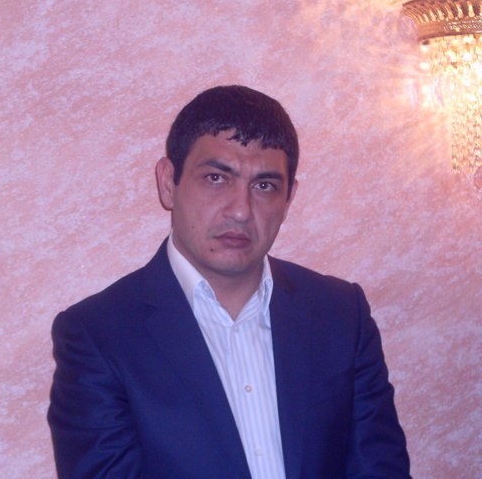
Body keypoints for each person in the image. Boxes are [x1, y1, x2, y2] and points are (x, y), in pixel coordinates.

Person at [48, 85, 411, 479]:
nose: (240, 210)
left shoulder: (340, 314)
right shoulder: (99, 336)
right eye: (216, 178)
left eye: (264, 186)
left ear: (288, 199)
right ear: (168, 182)